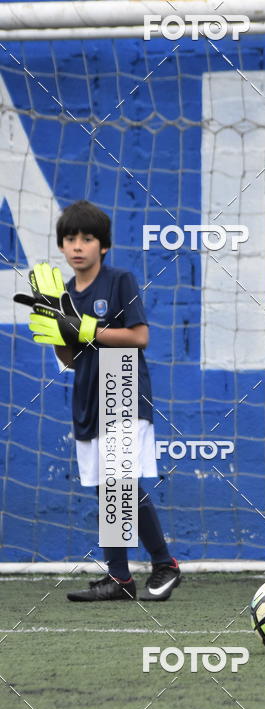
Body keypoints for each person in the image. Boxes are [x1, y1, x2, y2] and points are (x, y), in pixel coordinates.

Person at [20, 200, 182, 602]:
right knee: (105, 489)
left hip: (122, 382)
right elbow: (71, 360)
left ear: (103, 246)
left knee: (120, 483)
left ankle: (165, 564)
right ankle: (121, 579)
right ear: (61, 246)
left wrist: (85, 326)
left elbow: (139, 337)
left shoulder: (119, 280)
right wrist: (60, 331)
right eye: (71, 238)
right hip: (88, 391)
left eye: (87, 238)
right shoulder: (63, 295)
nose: (78, 246)